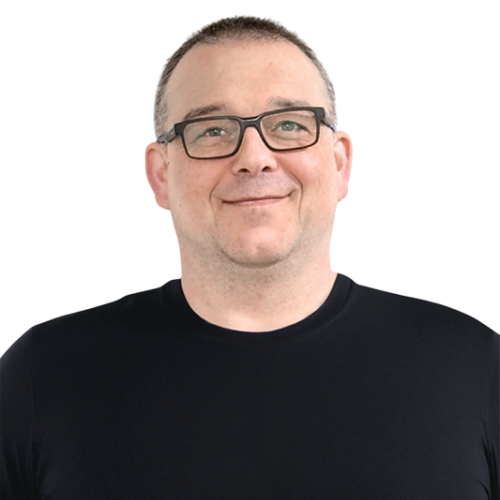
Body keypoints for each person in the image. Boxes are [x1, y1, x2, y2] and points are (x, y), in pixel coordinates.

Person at [1, 14, 498, 500]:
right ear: (160, 175)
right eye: (212, 130)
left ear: (340, 164)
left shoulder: (477, 367)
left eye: (289, 124)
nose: (254, 158)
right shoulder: (41, 375)